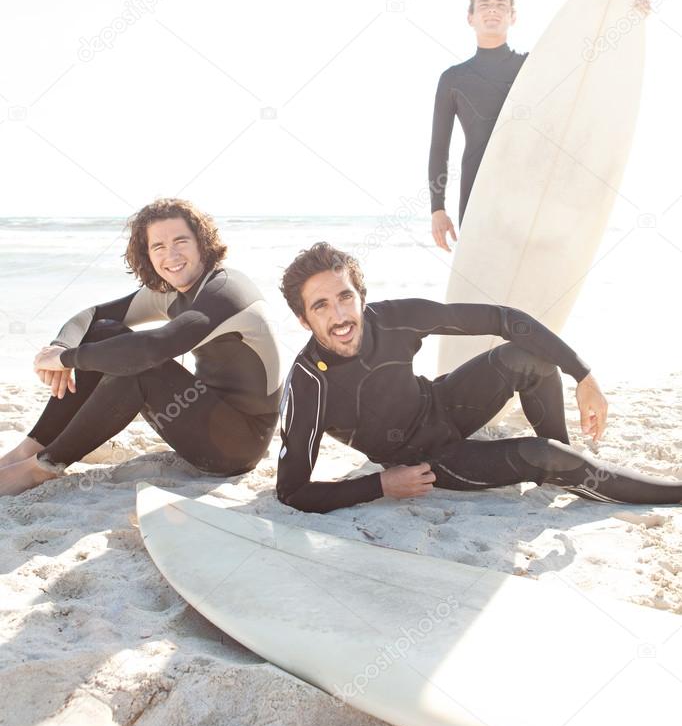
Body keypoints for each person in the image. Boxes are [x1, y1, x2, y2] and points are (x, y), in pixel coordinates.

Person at [275, 242, 682, 513]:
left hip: (443, 403)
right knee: (541, 455)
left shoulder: (393, 319)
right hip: (426, 460)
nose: (340, 316)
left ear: (361, 296)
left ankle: (567, 462)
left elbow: (503, 319)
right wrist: (381, 484)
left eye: (345, 297)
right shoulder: (309, 384)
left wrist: (584, 375)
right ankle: (571, 465)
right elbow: (291, 492)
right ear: (302, 318)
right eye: (321, 306)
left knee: (530, 358)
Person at [0, 199, 283, 495]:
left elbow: (153, 348)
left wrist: (69, 359)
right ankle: (27, 451)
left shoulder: (227, 293)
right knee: (103, 332)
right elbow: (92, 317)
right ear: (146, 254)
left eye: (181, 241)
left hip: (239, 445)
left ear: (202, 243)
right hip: (200, 419)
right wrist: (60, 348)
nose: (171, 255)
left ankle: (42, 467)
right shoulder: (170, 292)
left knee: (142, 367)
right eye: (158, 246)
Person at [428, 0, 651, 250]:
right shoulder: (453, 79)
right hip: (478, 193)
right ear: (470, 18)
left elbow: (589, 58)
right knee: (482, 284)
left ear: (513, 17)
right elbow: (439, 148)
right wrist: (437, 209)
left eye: (501, 5)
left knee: (525, 286)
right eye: (484, 5)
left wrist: (628, 14)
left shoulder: (533, 67)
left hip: (532, 190)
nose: (493, 10)